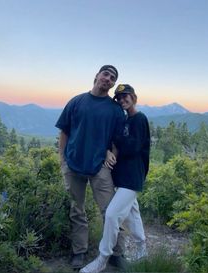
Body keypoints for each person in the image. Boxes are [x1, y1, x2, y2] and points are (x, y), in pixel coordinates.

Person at [55, 65, 126, 269]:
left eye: (112, 78)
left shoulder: (115, 110)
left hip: (100, 167)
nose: (108, 78)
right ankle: (79, 251)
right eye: (106, 74)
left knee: (111, 211)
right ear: (96, 76)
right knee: (77, 210)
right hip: (73, 164)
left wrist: (112, 152)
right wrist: (62, 161)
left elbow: (117, 139)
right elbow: (64, 132)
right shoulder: (77, 102)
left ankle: (116, 252)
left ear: (113, 84)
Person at [80, 84, 151, 273]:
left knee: (112, 214)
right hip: (122, 176)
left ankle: (103, 258)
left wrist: (115, 146)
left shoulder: (139, 119)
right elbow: (118, 142)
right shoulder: (126, 120)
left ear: (134, 97)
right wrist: (111, 147)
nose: (122, 100)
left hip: (133, 177)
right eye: (118, 98)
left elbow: (134, 147)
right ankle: (142, 249)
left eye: (125, 96)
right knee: (132, 213)